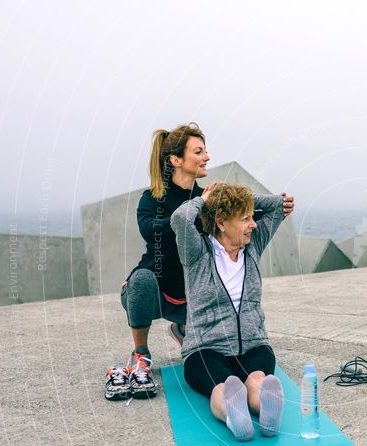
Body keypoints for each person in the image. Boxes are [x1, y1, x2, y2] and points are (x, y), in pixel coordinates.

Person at [104, 123, 293, 401]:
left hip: (196, 298)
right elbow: (153, 230)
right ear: (176, 160)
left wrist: (260, 200)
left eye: (205, 151)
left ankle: (185, 329)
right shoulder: (153, 198)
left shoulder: (207, 197)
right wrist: (197, 207)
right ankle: (141, 354)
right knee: (141, 280)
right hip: (161, 293)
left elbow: (250, 211)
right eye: (199, 151)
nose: (206, 157)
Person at [170, 182, 290, 441]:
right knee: (222, 386)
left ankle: (267, 409)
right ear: (222, 222)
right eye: (245, 218)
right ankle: (235, 416)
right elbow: (180, 217)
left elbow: (279, 206)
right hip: (206, 347)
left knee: (257, 379)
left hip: (253, 343)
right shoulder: (197, 252)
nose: (254, 224)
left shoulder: (253, 245)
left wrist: (242, 198)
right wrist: (207, 200)